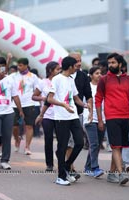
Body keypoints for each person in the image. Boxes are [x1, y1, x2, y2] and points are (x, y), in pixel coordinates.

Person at [95, 53, 129, 185]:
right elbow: (98, 100)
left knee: (119, 146)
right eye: (109, 63)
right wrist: (100, 119)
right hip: (112, 117)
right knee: (115, 145)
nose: (110, 65)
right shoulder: (104, 80)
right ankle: (120, 173)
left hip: (126, 116)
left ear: (120, 64)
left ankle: (111, 174)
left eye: (113, 63)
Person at [47, 56, 91, 186]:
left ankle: (65, 167)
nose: (77, 67)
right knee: (63, 146)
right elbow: (49, 99)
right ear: (70, 66)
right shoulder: (57, 79)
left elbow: (76, 98)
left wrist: (84, 105)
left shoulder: (71, 79)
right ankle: (61, 177)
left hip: (73, 116)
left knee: (79, 142)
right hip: (61, 117)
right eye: (75, 65)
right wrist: (64, 105)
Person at [0, 57, 24, 169]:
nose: (0, 69)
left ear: (5, 67)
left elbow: (15, 95)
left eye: (2, 66)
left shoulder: (11, 79)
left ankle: (5, 160)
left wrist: (20, 110)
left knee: (7, 137)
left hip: (8, 111)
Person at [33, 61, 61, 171]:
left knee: (61, 140)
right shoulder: (42, 82)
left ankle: (61, 161)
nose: (59, 71)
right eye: (57, 69)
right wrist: (43, 98)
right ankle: (49, 164)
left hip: (60, 115)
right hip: (47, 115)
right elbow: (34, 96)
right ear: (50, 70)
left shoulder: (61, 81)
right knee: (48, 139)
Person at [11, 58, 40, 155]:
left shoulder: (33, 76)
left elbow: (38, 88)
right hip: (15, 104)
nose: (18, 67)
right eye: (18, 65)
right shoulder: (13, 76)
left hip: (29, 104)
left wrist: (34, 97)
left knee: (29, 126)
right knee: (14, 126)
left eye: (21, 65)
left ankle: (27, 146)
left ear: (26, 65)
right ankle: (17, 139)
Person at [83, 66, 105, 178]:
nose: (99, 75)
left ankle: (87, 168)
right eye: (97, 73)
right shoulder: (87, 87)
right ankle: (95, 168)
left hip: (102, 119)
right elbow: (83, 102)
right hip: (90, 118)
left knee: (95, 145)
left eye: (100, 73)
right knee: (94, 144)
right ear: (91, 75)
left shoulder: (104, 87)